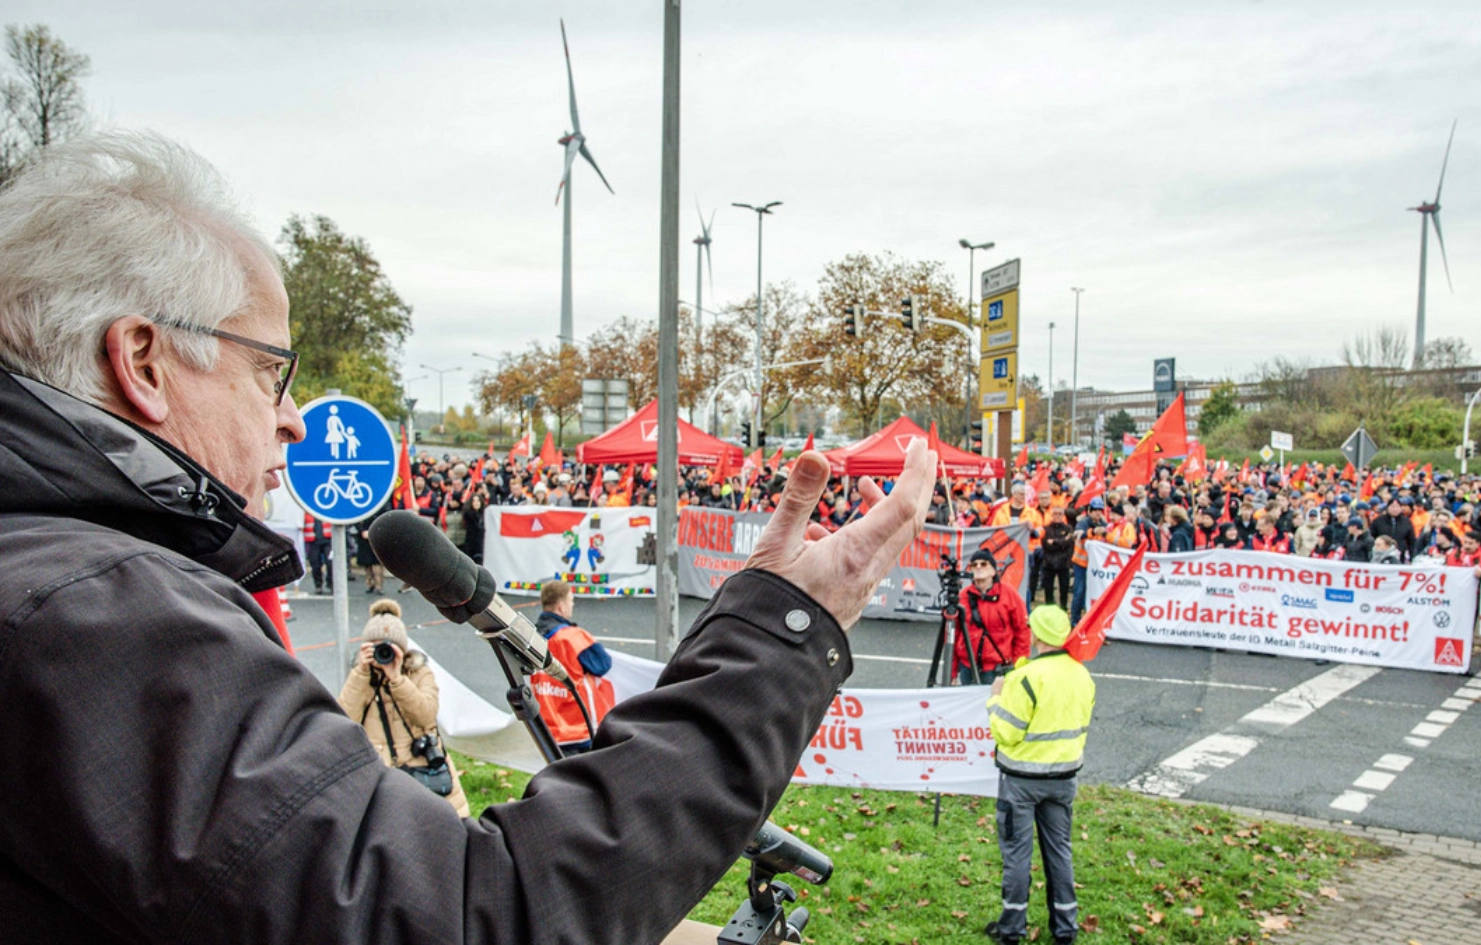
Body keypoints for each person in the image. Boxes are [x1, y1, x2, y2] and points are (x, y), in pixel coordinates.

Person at [0, 132, 940, 944]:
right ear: (143, 360)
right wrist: (783, 633)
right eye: (269, 372)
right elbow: (475, 918)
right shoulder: (95, 615)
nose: (292, 421)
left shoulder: (53, 579)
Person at [984, 605, 1095, 945]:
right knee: (1059, 851)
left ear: (1036, 636)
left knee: (1018, 855)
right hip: (1063, 779)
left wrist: (994, 699)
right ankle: (1065, 927)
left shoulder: (1024, 678)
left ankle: (1011, 928)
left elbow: (1006, 731)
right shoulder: (1081, 675)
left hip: (1021, 780)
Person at [337, 600, 470, 816]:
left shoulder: (419, 672)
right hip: (380, 776)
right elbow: (344, 722)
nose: (383, 653)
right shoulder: (361, 677)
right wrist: (361, 673)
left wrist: (397, 679)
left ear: (402, 649)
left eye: (388, 647)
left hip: (422, 770)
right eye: (376, 646)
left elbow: (426, 716)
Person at [530, 580, 615, 752]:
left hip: (547, 729)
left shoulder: (532, 637)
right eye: (571, 601)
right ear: (561, 606)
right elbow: (603, 664)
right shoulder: (573, 638)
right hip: (578, 729)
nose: (572, 606)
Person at [956, 549, 1031, 685]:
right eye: (974, 564)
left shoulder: (1009, 595)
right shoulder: (963, 596)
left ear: (993, 571)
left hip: (997, 669)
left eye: (984, 564)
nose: (978, 567)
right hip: (967, 667)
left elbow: (1022, 631)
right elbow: (953, 634)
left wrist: (1019, 665)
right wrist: (952, 671)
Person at [1039, 507, 1075, 610]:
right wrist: (1062, 542)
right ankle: (1049, 608)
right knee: (1048, 589)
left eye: (1060, 514)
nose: (1057, 516)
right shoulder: (1046, 528)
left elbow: (1069, 543)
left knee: (1064, 589)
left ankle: (1063, 608)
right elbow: (1046, 544)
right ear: (1051, 515)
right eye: (1055, 514)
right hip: (1049, 563)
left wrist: (1055, 542)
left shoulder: (1068, 528)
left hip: (1063, 563)